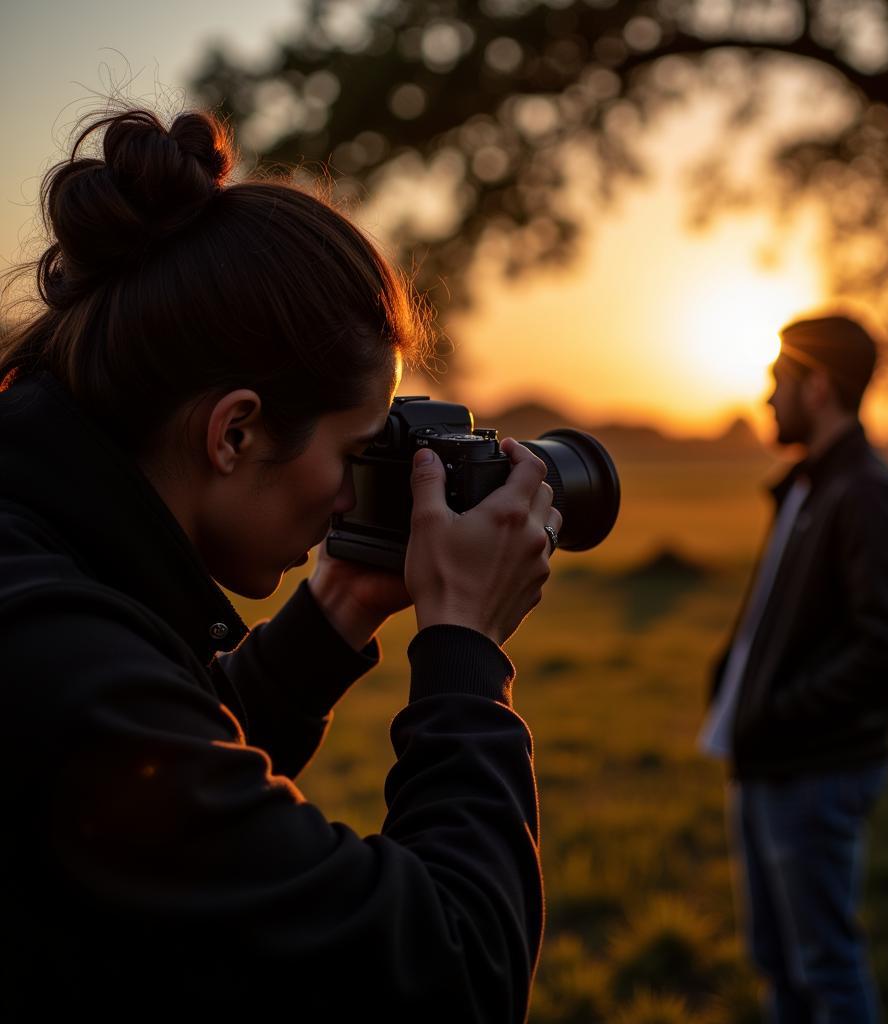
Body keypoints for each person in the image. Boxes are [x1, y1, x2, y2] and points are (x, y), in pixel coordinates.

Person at [0, 107, 562, 1020]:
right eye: (354, 453)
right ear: (235, 431)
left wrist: (335, 610)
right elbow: (454, 971)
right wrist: (463, 649)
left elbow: (164, 795)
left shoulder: (47, 568)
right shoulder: (54, 661)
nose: (354, 497)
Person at [698, 315, 888, 1023]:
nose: (765, 397)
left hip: (813, 770)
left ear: (818, 386)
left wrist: (779, 711)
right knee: (779, 964)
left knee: (825, 966)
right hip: (768, 761)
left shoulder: (864, 493)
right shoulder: (806, 484)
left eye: (777, 379)